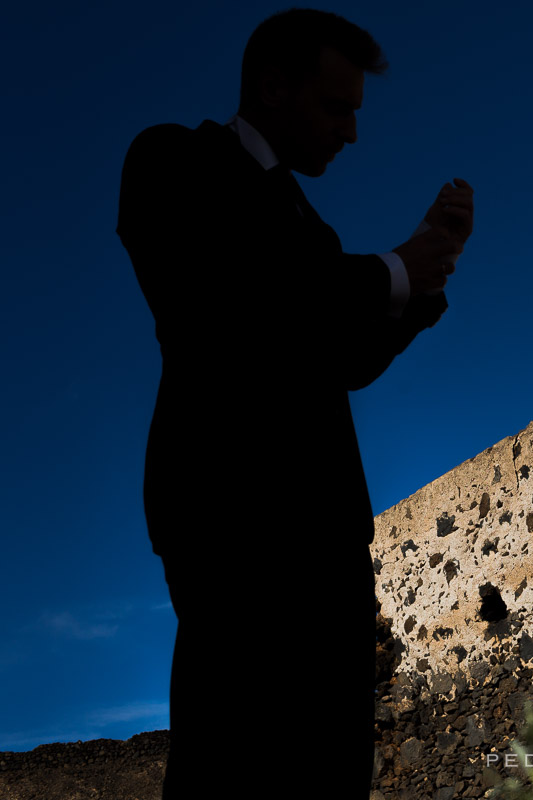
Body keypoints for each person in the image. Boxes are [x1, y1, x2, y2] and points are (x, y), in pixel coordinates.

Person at [116, 9, 473, 797]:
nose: (350, 133)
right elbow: (252, 293)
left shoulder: (305, 225)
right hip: (233, 524)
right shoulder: (172, 162)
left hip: (326, 540)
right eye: (337, 107)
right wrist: (398, 270)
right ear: (273, 87)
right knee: (237, 756)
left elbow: (337, 354)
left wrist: (421, 283)